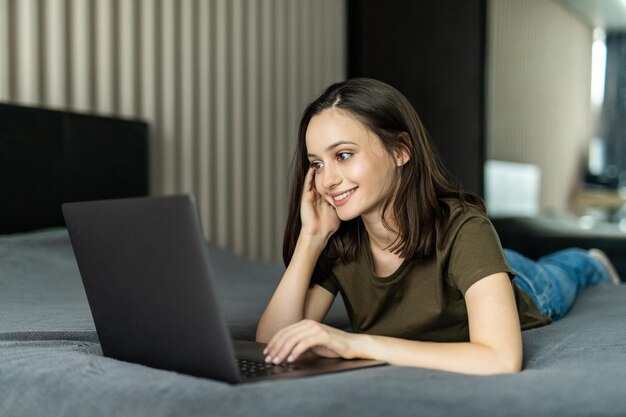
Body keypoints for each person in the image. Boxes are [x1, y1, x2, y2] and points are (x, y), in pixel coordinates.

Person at [255, 78, 620, 375]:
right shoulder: (341, 240)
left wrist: (356, 343)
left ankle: (590, 260)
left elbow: (500, 359)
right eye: (316, 164)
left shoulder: (464, 228)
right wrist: (312, 237)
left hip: (523, 285)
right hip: (470, 269)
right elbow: (269, 343)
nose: (328, 179)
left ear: (401, 150)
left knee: (559, 273)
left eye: (344, 155)